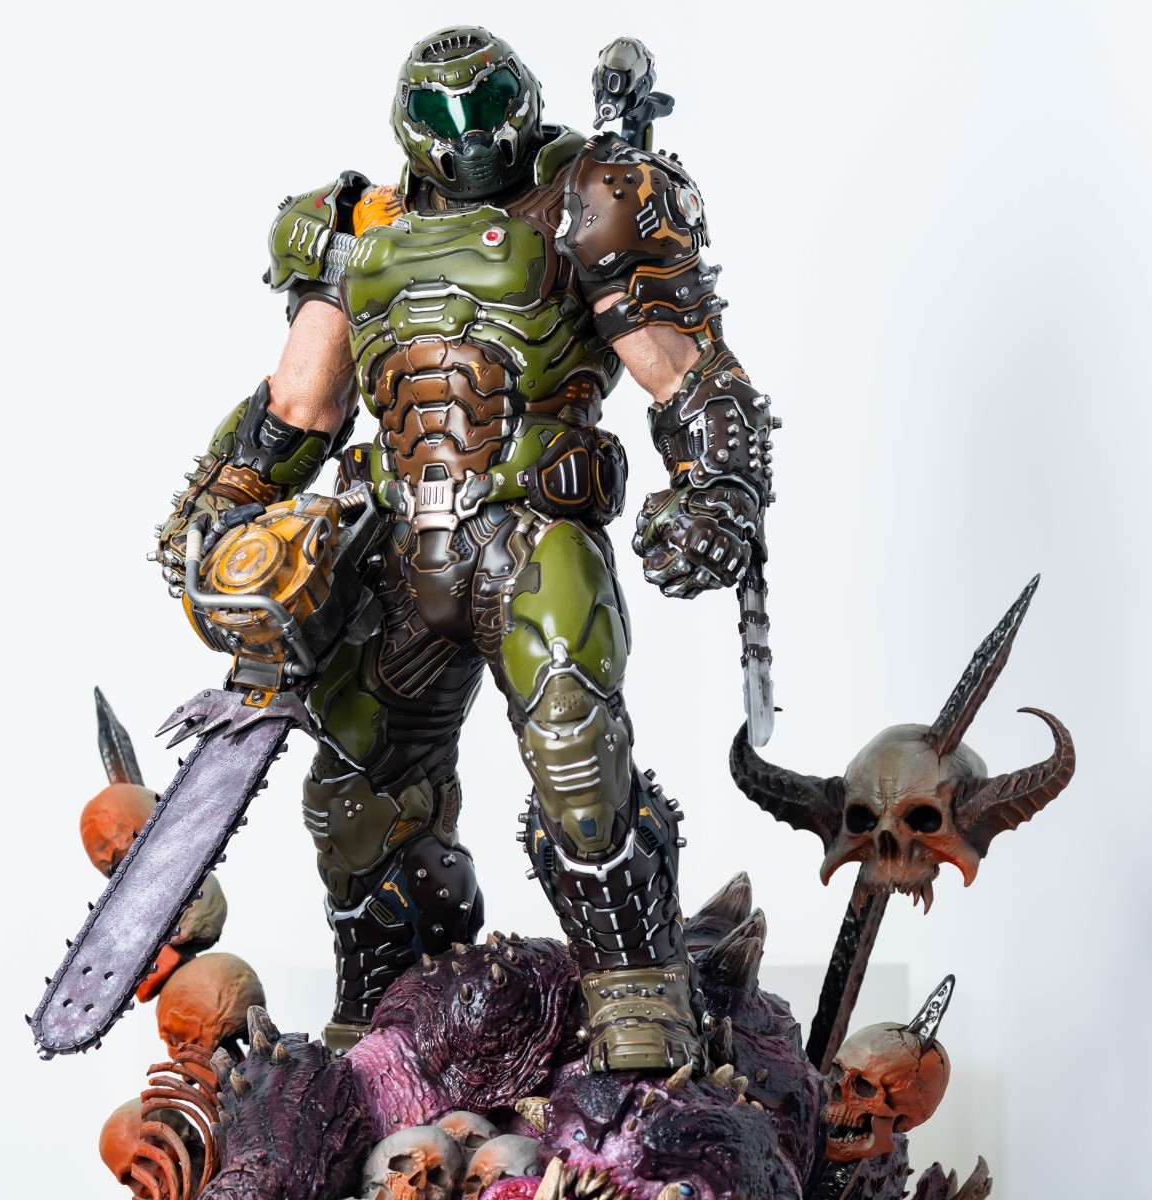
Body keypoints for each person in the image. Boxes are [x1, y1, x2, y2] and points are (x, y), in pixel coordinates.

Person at [157, 26, 774, 1071]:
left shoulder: (588, 199)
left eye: (489, 112)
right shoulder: (355, 228)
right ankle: (400, 1006)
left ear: (522, 102)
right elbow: (301, 406)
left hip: (531, 538)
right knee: (358, 788)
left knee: (576, 749)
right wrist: (216, 510)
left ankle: (637, 993)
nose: (473, 139)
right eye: (448, 121)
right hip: (400, 549)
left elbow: (684, 371)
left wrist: (715, 492)